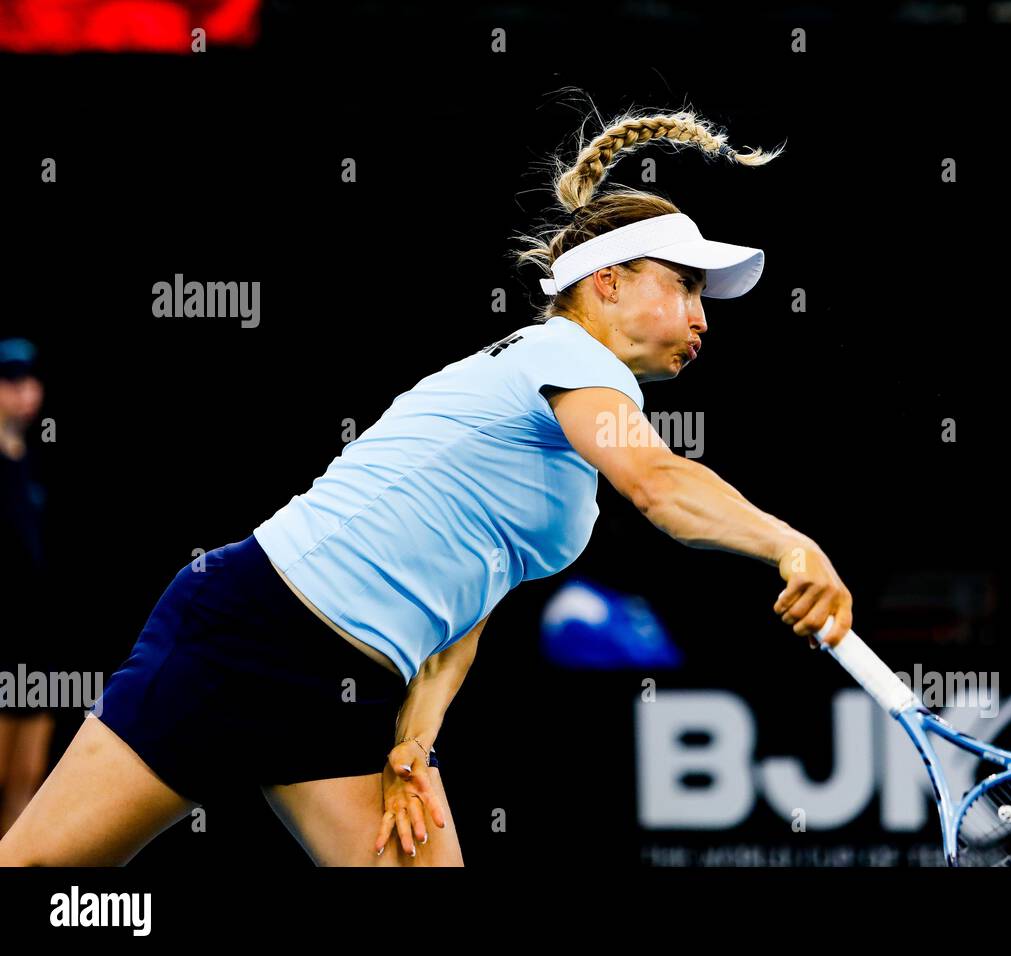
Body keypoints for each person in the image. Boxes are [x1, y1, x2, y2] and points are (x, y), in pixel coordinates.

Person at [0, 106, 853, 867]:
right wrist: (789, 543)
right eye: (687, 285)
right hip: (244, 628)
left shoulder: (570, 474)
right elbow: (662, 484)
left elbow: (461, 614)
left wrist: (414, 739)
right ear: (608, 284)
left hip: (349, 695)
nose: (704, 316)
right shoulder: (565, 357)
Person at [0, 338, 56, 838]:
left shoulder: (37, 463)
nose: (25, 393)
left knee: (28, 782)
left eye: (29, 380)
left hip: (36, 643)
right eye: (11, 382)